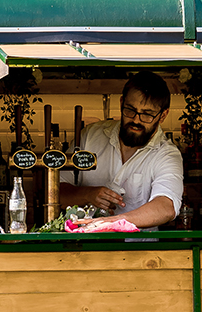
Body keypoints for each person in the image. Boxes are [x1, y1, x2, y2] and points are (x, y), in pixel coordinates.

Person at [58, 71, 184, 228]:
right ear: (121, 102)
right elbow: (56, 193)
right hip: (83, 248)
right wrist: (87, 194)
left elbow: (166, 207)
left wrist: (110, 223)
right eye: (130, 110)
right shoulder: (90, 136)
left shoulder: (167, 154)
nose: (136, 120)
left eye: (147, 114)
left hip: (137, 251)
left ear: (163, 115)